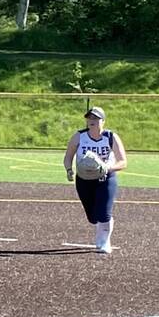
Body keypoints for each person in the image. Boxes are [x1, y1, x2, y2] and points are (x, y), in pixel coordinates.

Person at [62, 105, 128, 254]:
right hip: (84, 179)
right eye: (89, 118)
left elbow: (123, 161)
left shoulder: (111, 137)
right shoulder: (79, 136)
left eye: (96, 118)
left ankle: (105, 241)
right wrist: (69, 169)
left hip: (105, 178)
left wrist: (107, 168)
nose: (92, 120)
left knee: (103, 214)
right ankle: (101, 227)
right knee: (93, 217)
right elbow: (68, 156)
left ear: (103, 121)